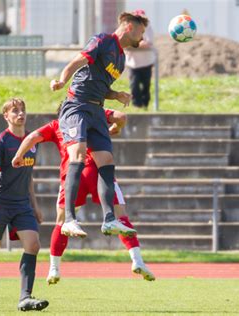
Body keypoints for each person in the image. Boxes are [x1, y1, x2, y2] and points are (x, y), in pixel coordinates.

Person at [12, 108, 155, 284]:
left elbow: (32, 137)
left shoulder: (57, 124)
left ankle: (54, 269)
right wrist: (115, 129)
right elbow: (120, 116)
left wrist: (18, 155)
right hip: (99, 174)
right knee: (120, 216)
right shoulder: (94, 112)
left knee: (62, 222)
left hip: (72, 178)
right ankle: (137, 260)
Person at [49, 12, 149, 238]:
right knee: (78, 155)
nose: (142, 38)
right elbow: (79, 60)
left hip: (96, 110)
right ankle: (70, 220)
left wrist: (116, 95)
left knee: (106, 160)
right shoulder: (103, 41)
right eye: (141, 32)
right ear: (129, 26)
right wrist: (62, 80)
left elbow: (102, 86)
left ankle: (110, 219)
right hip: (77, 106)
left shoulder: (121, 60)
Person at [0, 98, 49, 312]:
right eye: (15, 111)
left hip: (22, 204)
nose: (20, 113)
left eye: (23, 109)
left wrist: (35, 205)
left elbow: (28, 175)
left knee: (33, 244)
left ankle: (25, 298)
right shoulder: (0, 142)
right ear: (6, 116)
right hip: (0, 203)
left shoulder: (32, 141)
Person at [124, 9, 155, 109]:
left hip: (146, 62)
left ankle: (145, 104)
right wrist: (137, 44)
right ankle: (137, 105)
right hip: (133, 63)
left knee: (146, 85)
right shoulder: (129, 28)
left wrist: (134, 45)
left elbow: (147, 43)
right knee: (134, 85)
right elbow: (126, 44)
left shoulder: (148, 27)